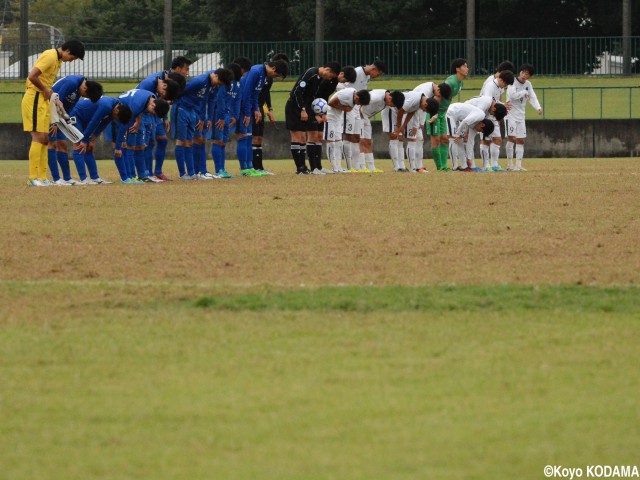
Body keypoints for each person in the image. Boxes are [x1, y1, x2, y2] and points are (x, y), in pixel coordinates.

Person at [22, 39, 85, 186]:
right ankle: (33, 177)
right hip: (34, 98)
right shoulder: (50, 56)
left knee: (45, 139)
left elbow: (46, 82)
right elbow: (32, 76)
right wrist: (45, 90)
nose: (71, 61)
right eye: (73, 57)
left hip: (44, 100)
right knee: (38, 137)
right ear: (67, 51)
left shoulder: (58, 60)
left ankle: (43, 178)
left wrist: (52, 96)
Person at [170, 68, 233, 180]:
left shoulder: (213, 85)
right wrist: (171, 101)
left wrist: (206, 118)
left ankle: (192, 173)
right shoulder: (199, 81)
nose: (218, 86)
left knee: (190, 142)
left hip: (193, 111)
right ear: (216, 76)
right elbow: (181, 91)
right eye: (219, 83)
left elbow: (211, 101)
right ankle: (183, 174)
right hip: (182, 109)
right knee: (182, 141)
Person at [285, 62, 341, 174]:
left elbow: (312, 97)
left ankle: (305, 168)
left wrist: (315, 113)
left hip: (305, 108)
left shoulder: (319, 78)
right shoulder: (311, 73)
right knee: (298, 136)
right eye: (330, 76)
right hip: (294, 107)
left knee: (302, 137)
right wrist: (303, 109)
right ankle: (300, 169)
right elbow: (297, 92)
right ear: (327, 69)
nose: (329, 78)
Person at [48, 75, 103, 186]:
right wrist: (53, 122)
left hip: (59, 118)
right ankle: (56, 179)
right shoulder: (72, 83)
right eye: (86, 95)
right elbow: (54, 99)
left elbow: (66, 108)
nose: (84, 97)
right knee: (52, 144)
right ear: (85, 89)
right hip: (49, 114)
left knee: (62, 144)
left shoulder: (78, 88)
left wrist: (65, 121)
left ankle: (67, 178)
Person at [237, 60, 288, 176]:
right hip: (242, 107)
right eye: (276, 75)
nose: (274, 78)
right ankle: (244, 169)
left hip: (250, 107)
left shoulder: (263, 75)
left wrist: (256, 109)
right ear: (273, 68)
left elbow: (255, 95)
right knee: (244, 137)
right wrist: (247, 113)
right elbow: (246, 93)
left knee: (249, 137)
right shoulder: (256, 71)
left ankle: (250, 167)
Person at [69, 96, 133, 184]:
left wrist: (92, 139)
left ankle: (95, 177)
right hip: (76, 114)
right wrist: (85, 140)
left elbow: (103, 124)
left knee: (89, 147)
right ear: (116, 111)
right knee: (79, 145)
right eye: (117, 118)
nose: (115, 119)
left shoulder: (116, 107)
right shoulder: (106, 106)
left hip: (86, 117)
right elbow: (94, 122)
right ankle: (83, 178)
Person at [136, 68, 184, 181]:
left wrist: (165, 117)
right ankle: (146, 172)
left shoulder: (163, 83)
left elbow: (161, 101)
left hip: (155, 113)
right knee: (148, 142)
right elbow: (140, 101)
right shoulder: (149, 83)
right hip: (144, 112)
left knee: (163, 140)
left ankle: (158, 172)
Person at [337, 61, 386, 171]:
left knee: (357, 137)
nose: (376, 77)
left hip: (356, 108)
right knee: (348, 135)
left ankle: (360, 166)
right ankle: (349, 167)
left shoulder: (367, 76)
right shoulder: (357, 72)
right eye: (378, 74)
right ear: (374, 69)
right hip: (348, 107)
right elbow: (341, 86)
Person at [116, 89, 170, 183]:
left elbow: (140, 107)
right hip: (121, 115)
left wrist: (138, 120)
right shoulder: (137, 105)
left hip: (133, 113)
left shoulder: (152, 97)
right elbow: (128, 116)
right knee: (130, 146)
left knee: (140, 146)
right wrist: (122, 138)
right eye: (153, 113)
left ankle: (142, 176)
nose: (150, 114)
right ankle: (131, 177)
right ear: (153, 105)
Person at [251, 53, 290, 174]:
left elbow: (265, 93)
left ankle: (259, 167)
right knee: (253, 137)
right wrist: (256, 108)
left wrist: (269, 110)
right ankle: (251, 167)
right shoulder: (260, 73)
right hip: (253, 107)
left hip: (260, 108)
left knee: (259, 137)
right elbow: (253, 93)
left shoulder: (270, 78)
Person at [429, 58, 468, 171]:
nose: (467, 68)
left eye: (467, 66)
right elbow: (438, 96)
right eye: (464, 66)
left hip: (442, 113)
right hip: (434, 113)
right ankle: (439, 167)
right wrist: (435, 114)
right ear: (457, 69)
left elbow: (448, 99)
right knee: (436, 140)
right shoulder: (450, 82)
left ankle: (444, 167)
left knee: (445, 139)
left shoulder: (461, 83)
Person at [475, 63, 515, 171]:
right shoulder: (490, 85)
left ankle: (494, 165)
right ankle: (486, 166)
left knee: (497, 139)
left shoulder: (500, 87)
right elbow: (488, 102)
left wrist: (502, 106)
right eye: (505, 84)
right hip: (485, 115)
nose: (505, 87)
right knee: (485, 140)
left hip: (494, 115)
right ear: (501, 79)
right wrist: (502, 105)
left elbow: (498, 100)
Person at [323, 88, 371, 174]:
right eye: (358, 103)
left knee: (339, 143)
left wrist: (344, 109)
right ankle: (333, 167)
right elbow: (330, 103)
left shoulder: (355, 96)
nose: (357, 105)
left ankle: (338, 166)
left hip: (338, 118)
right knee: (331, 142)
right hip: (330, 117)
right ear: (357, 98)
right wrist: (343, 108)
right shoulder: (346, 95)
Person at [408, 81, 452, 172]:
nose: (438, 98)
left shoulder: (437, 90)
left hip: (434, 115)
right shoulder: (426, 92)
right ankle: (438, 167)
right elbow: (423, 108)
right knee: (432, 140)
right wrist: (421, 123)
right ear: (438, 91)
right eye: (439, 96)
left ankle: (442, 166)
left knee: (443, 139)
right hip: (424, 115)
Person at [505, 63, 542, 171]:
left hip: (521, 116)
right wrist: (524, 92)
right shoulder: (512, 81)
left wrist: (538, 107)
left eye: (527, 74)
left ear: (530, 76)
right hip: (510, 114)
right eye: (523, 72)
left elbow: (532, 97)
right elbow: (512, 95)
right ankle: (509, 165)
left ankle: (518, 165)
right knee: (511, 138)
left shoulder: (528, 84)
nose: (524, 75)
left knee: (521, 140)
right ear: (520, 72)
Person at [358, 89, 406, 173]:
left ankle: (372, 168)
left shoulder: (386, 101)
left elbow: (374, 110)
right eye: (392, 105)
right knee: (361, 141)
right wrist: (359, 117)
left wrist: (367, 118)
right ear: (390, 99)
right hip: (358, 116)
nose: (391, 106)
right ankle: (362, 167)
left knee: (369, 142)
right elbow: (359, 101)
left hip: (366, 117)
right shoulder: (376, 97)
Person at [458, 95, 508, 171]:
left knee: (470, 141)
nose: (491, 115)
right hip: (465, 117)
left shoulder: (489, 106)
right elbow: (474, 115)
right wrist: (466, 131)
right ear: (494, 108)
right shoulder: (485, 103)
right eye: (493, 114)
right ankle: (470, 166)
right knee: (468, 140)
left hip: (470, 118)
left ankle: (471, 166)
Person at [394, 92, 440, 173]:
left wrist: (404, 126)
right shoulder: (416, 99)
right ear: (425, 105)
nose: (423, 111)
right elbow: (401, 111)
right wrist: (399, 127)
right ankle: (410, 168)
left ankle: (417, 167)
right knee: (411, 139)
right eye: (425, 110)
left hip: (404, 114)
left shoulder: (422, 101)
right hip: (395, 112)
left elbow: (411, 112)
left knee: (418, 139)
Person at [211, 63, 242, 178]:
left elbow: (235, 100)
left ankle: (222, 169)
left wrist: (235, 116)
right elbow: (220, 101)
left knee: (223, 142)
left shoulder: (236, 85)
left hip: (227, 115)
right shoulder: (223, 85)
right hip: (219, 116)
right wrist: (222, 117)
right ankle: (218, 170)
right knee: (217, 141)